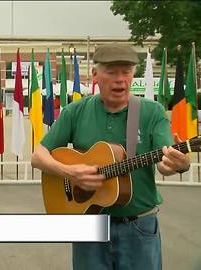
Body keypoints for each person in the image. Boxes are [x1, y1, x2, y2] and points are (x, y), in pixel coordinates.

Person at [31, 43, 191, 270]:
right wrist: (69, 172)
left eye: (125, 72)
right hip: (89, 226)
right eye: (111, 72)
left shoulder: (151, 111)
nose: (120, 79)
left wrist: (178, 164)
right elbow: (38, 155)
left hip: (139, 227)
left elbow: (167, 161)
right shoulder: (75, 111)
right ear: (95, 75)